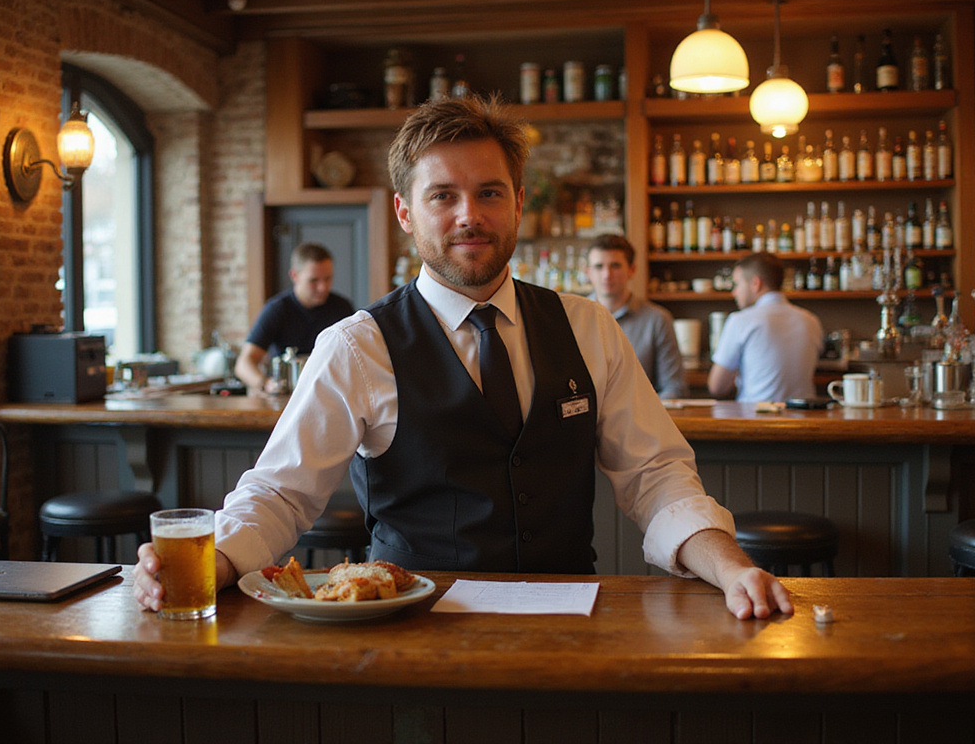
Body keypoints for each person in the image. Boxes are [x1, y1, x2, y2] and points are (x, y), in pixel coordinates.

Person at [135, 95, 791, 621]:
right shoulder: (356, 346)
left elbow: (657, 475)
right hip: (409, 631)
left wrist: (730, 566)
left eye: (490, 193)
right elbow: (282, 491)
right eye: (442, 195)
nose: (468, 216)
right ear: (404, 211)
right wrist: (211, 563)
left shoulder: (587, 326)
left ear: (519, 203)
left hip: (567, 627)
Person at [233, 242, 354, 394]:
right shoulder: (277, 309)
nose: (323, 287)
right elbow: (244, 364)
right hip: (288, 397)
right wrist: (266, 383)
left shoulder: (342, 307)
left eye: (328, 278)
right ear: (294, 275)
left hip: (331, 395)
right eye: (314, 281)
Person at [707, 252, 824, 402]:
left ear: (756, 283)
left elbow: (717, 388)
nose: (734, 292)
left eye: (737, 284)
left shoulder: (741, 320)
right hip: (804, 419)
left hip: (757, 419)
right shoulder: (811, 320)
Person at [584, 234, 687, 399]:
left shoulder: (657, 319)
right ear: (587, 272)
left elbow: (673, 387)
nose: (606, 275)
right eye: (598, 266)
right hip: (586, 422)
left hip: (640, 422)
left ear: (632, 270)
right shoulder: (572, 319)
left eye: (615, 266)